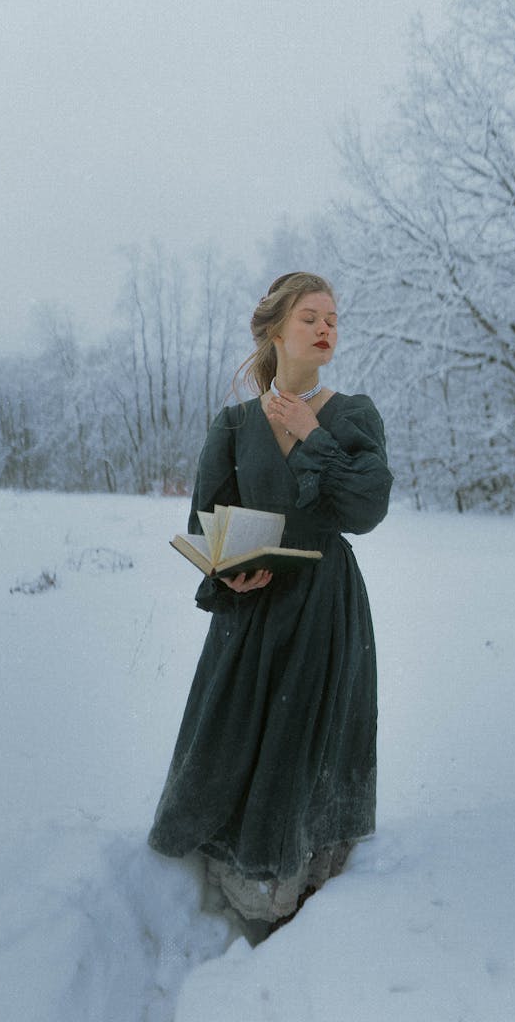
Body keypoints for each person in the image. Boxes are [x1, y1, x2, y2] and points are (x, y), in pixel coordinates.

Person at [148, 272, 393, 940]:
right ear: (275, 331)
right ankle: (228, 871)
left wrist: (313, 435)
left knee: (305, 735)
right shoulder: (233, 423)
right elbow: (207, 521)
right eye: (311, 317)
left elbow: (367, 509)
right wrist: (226, 576)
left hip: (324, 605)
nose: (325, 329)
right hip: (253, 608)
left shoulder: (352, 415)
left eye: (334, 319)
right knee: (236, 728)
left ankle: (297, 878)